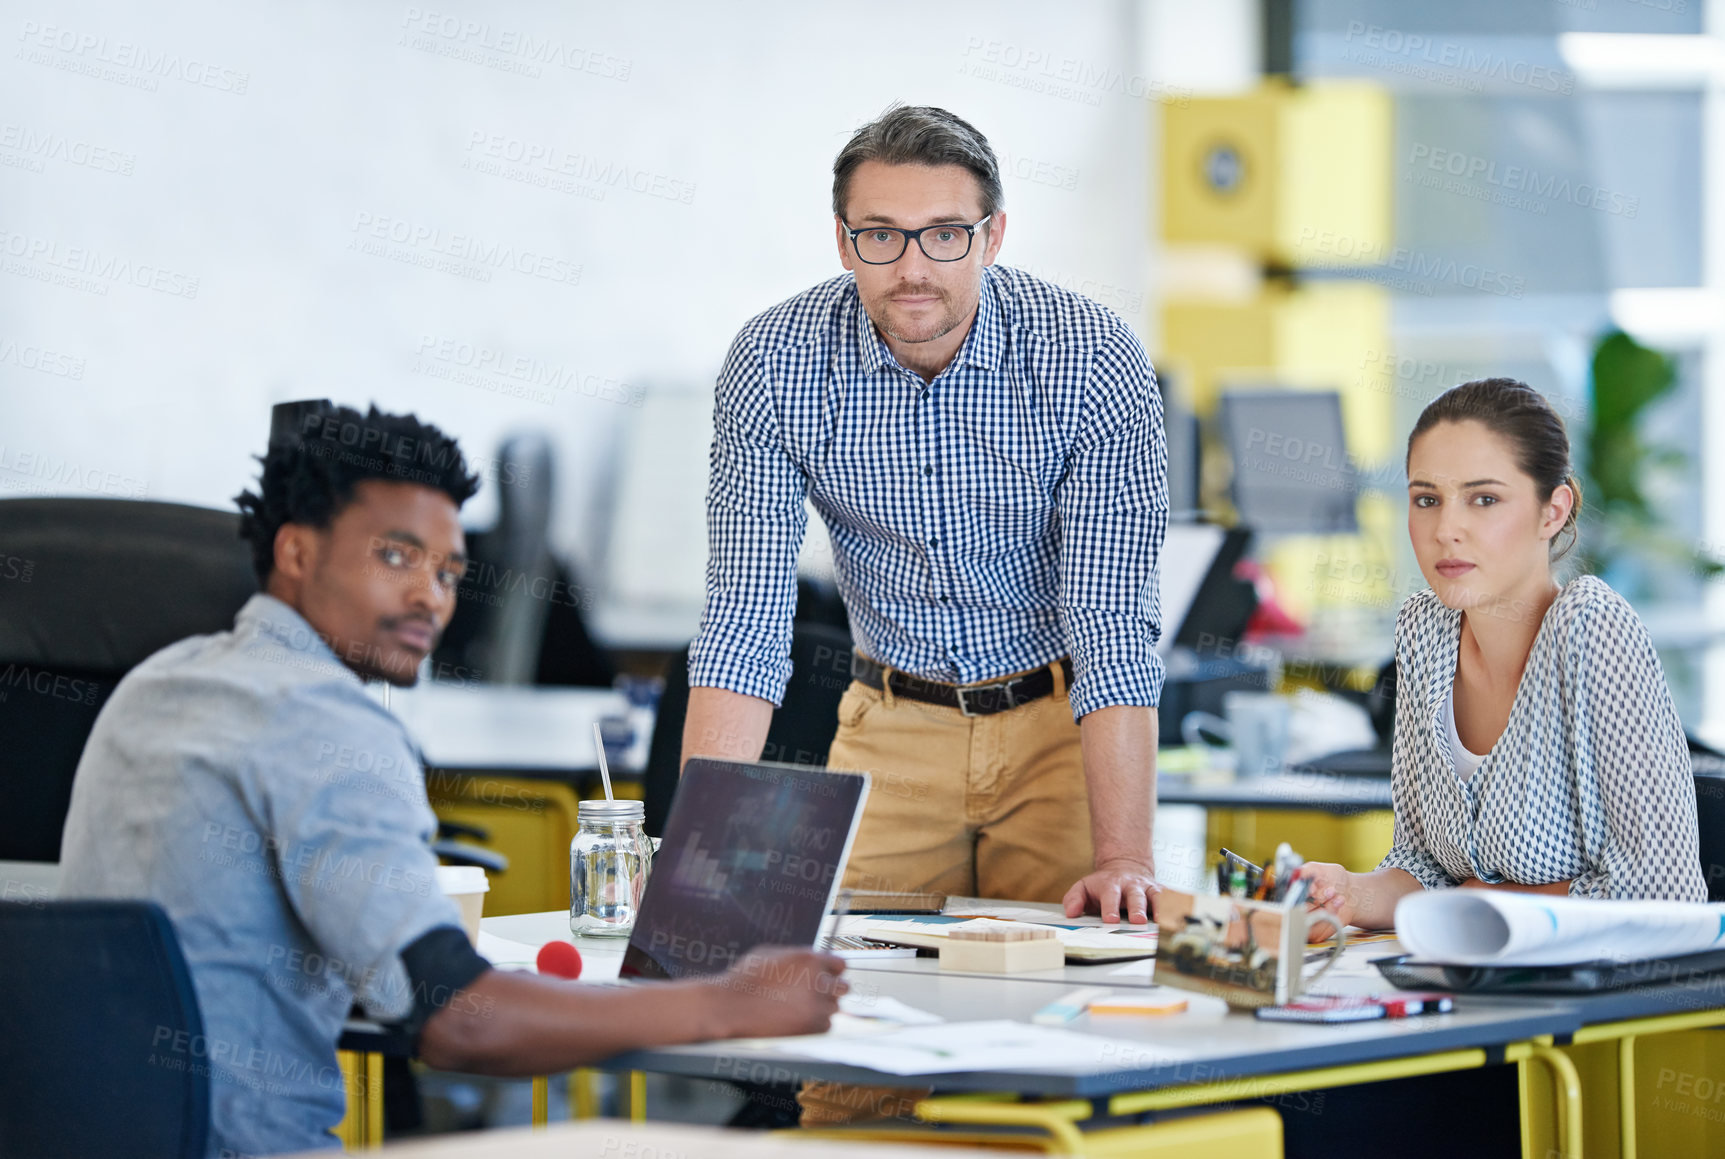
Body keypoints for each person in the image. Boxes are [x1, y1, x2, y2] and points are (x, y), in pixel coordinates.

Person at [58, 404, 845, 1158]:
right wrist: (728, 1001)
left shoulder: (153, 683)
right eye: (395, 555)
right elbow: (461, 1023)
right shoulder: (329, 723)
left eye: (448, 570)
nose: (428, 596)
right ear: (296, 553)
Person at [681, 104, 1169, 932]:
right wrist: (700, 848)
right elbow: (744, 619)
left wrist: (1124, 856)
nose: (913, 267)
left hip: (1060, 723)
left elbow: (1111, 624)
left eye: (944, 233)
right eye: (881, 235)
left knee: (1063, 1017)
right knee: (848, 1029)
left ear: (993, 235)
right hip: (890, 725)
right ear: (843, 242)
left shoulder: (1088, 356)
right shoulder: (775, 361)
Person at [1300, 378, 1706, 934]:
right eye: (1426, 499)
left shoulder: (1591, 628)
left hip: (1585, 1003)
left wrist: (1492, 898)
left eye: (1484, 499)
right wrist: (1346, 892)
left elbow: (1668, 893)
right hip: (1469, 978)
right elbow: (1423, 867)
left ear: (1553, 512)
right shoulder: (1424, 629)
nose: (1446, 530)